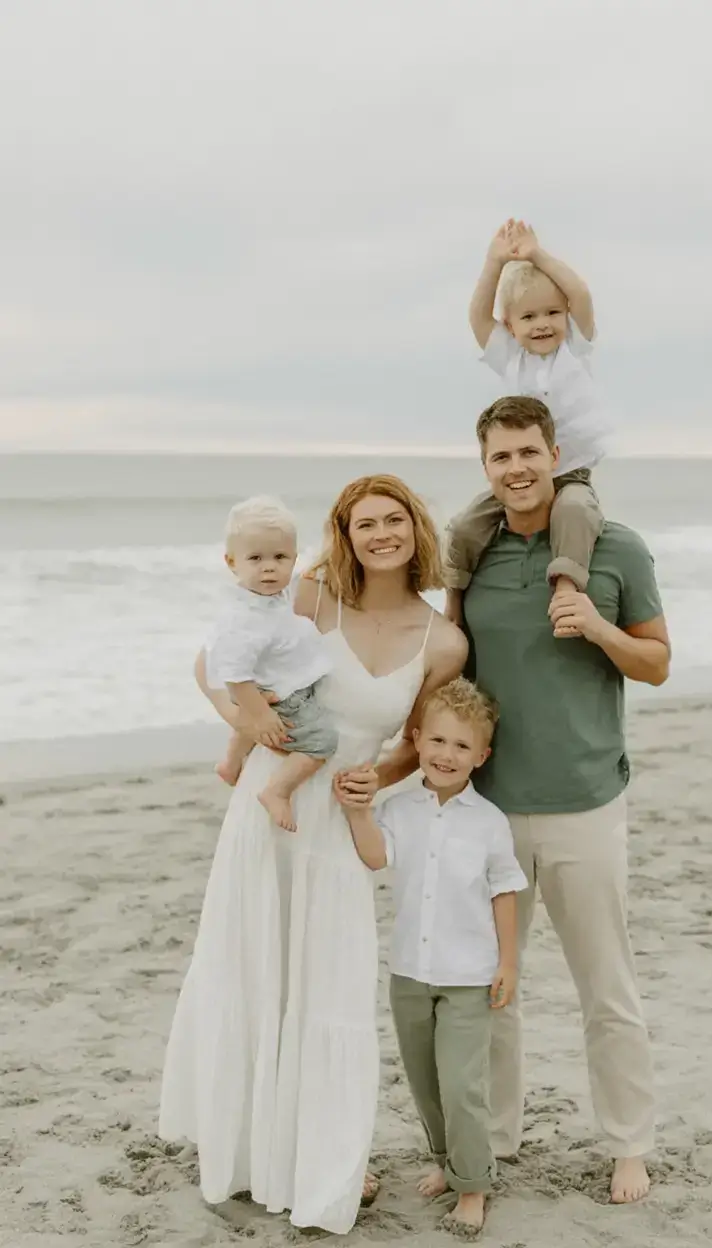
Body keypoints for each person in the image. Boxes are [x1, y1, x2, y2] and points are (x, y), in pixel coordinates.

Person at [159, 474, 468, 1235]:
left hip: (338, 820)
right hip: (270, 807)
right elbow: (213, 664)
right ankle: (249, 1149)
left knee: (326, 985)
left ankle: (328, 1154)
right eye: (364, 523)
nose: (381, 533)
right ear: (344, 533)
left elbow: (416, 747)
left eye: (394, 519)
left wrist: (378, 776)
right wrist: (250, 726)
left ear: (414, 530)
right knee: (257, 968)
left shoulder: (444, 640)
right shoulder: (306, 597)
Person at [459, 396, 671, 1205]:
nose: (516, 468)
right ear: (485, 467)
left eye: (527, 452)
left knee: (605, 987)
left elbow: (656, 663)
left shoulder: (616, 549)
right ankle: (494, 1140)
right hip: (489, 808)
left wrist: (598, 627)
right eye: (499, 457)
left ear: (555, 454)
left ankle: (628, 1145)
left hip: (585, 804)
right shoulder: (475, 552)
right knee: (490, 989)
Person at [338, 677, 527, 1239]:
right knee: (424, 1081)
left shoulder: (490, 822)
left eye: (463, 747)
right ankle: (449, 1161)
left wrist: (508, 963)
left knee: (463, 1084)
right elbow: (376, 858)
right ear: (417, 740)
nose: (448, 755)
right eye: (439, 741)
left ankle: (473, 1186)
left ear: (482, 755)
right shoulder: (398, 810)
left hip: (469, 977)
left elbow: (504, 891)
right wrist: (357, 814)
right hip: (409, 975)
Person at [445, 218, 609, 637]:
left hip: (568, 474)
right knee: (465, 525)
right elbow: (477, 314)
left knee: (574, 512)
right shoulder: (510, 357)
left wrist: (536, 254)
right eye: (530, 317)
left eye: (553, 313)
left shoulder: (575, 348)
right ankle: (453, 602)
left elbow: (581, 293)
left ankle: (567, 588)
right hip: (517, 479)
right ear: (510, 325)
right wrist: (494, 262)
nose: (542, 325)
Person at [207, 495, 338, 832]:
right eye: (256, 558)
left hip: (265, 685)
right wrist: (259, 714)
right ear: (232, 562)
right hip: (267, 693)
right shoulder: (246, 618)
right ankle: (277, 791)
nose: (269, 567)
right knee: (323, 741)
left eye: (280, 557)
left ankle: (231, 761)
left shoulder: (268, 594)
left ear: (294, 558)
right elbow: (235, 675)